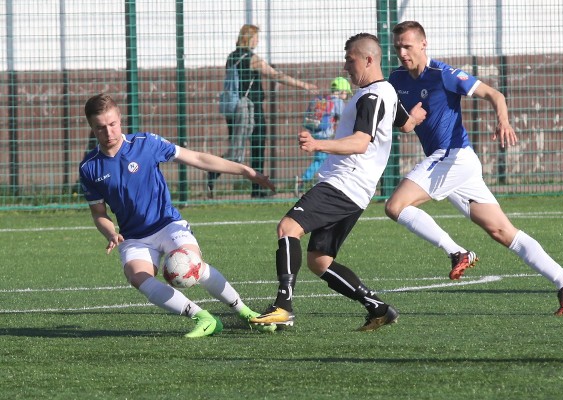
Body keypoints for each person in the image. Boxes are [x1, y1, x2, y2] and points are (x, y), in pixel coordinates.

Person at [385, 20, 563, 316]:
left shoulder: (444, 74)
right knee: (502, 231)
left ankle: (458, 252)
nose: (402, 52)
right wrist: (408, 120)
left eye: (407, 46)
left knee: (395, 206)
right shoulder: (396, 79)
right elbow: (402, 125)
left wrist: (503, 120)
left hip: (453, 156)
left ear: (423, 44)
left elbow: (495, 95)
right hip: (454, 166)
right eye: (398, 46)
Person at [249, 33, 426, 331]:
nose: (345, 67)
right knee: (320, 261)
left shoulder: (371, 96)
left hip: (344, 182)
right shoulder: (388, 92)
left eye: (350, 59)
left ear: (368, 59)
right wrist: (417, 116)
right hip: (358, 191)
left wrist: (318, 145)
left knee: (288, 228)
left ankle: (283, 307)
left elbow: (360, 142)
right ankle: (378, 307)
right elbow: (406, 125)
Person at [79, 93, 276, 337]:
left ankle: (246, 312)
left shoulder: (146, 144)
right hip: (133, 236)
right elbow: (99, 213)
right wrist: (111, 232)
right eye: (100, 128)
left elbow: (196, 157)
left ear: (120, 119)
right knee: (137, 276)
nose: (108, 133)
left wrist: (244, 171)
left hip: (167, 224)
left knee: (192, 264)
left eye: (112, 124)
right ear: (91, 127)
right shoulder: (90, 167)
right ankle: (203, 318)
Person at [209, 24, 319, 197]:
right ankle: (257, 189)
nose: (258, 40)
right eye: (256, 37)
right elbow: (276, 75)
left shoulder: (231, 57)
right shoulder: (252, 58)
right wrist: (303, 85)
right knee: (257, 146)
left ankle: (215, 171)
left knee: (236, 147)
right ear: (250, 38)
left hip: (234, 108)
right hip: (251, 109)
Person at [295, 76, 352, 196]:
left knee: (322, 159)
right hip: (326, 136)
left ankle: (317, 182)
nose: (346, 96)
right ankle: (303, 180)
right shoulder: (338, 102)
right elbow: (344, 118)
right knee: (320, 160)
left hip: (315, 132)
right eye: (346, 93)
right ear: (342, 91)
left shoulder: (323, 99)